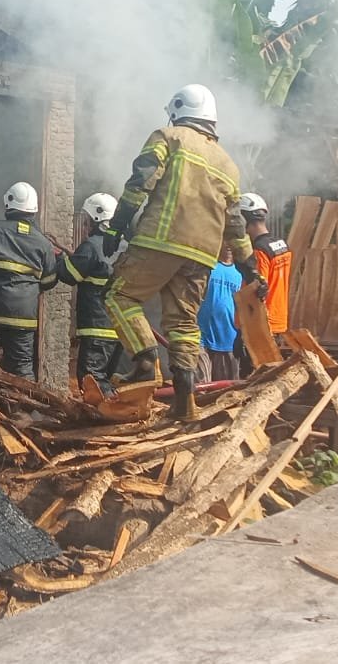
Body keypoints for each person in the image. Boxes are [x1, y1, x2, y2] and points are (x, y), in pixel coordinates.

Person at [103, 84, 260, 422]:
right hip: (201, 257)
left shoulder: (168, 136)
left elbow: (140, 183)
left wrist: (116, 227)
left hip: (160, 241)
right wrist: (249, 266)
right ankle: (185, 401)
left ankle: (145, 361)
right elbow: (235, 224)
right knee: (184, 324)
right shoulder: (229, 165)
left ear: (177, 110)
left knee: (119, 296)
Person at [0, 182, 59, 380]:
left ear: (8, 204)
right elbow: (49, 281)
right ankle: (26, 400)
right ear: (33, 209)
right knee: (21, 368)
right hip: (22, 316)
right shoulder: (43, 243)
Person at [57, 193, 126, 391]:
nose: (85, 225)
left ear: (94, 219)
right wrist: (71, 254)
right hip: (121, 330)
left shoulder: (92, 246)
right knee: (108, 380)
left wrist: (58, 258)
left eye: (86, 220)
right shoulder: (124, 246)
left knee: (92, 382)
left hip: (98, 328)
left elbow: (69, 275)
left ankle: (101, 411)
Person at [239, 194, 291, 337]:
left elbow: (257, 289)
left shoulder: (259, 250)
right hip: (278, 318)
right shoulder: (282, 245)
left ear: (243, 219)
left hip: (261, 324)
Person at [198, 247, 243, 382]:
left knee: (227, 388)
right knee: (200, 387)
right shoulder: (207, 267)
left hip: (228, 340)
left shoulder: (241, 274)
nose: (229, 246)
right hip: (201, 338)